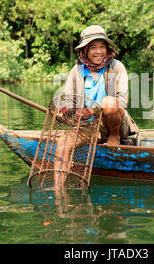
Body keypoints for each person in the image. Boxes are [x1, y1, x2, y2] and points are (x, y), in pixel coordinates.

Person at [53, 25, 138, 187]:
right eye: (93, 48)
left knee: (109, 102)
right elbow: (70, 102)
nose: (98, 52)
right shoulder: (76, 71)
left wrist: (92, 110)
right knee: (63, 142)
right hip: (89, 126)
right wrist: (64, 110)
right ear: (85, 50)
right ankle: (59, 190)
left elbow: (121, 101)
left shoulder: (116, 67)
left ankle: (113, 138)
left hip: (117, 125)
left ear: (107, 49)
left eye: (102, 47)